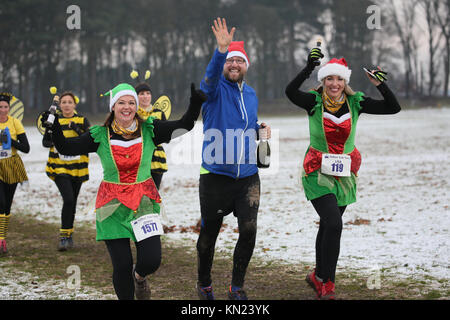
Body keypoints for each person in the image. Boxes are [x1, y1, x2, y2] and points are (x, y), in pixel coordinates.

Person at [42, 82, 206, 300]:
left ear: (136, 106)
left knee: (151, 260)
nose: (127, 107)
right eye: (121, 102)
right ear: (113, 107)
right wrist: (54, 129)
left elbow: (184, 125)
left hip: (144, 202)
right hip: (112, 206)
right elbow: (66, 147)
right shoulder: (100, 135)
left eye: (131, 102)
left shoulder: (150, 129)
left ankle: (139, 277)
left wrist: (195, 104)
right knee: (122, 266)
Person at [285, 46, 401, 299]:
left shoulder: (356, 102)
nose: (334, 83)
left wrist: (379, 84)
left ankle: (317, 275)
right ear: (323, 81)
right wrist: (308, 67)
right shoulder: (313, 102)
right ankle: (327, 281)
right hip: (317, 170)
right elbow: (290, 92)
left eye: (339, 79)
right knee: (334, 224)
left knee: (328, 226)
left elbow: (393, 108)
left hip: (345, 173)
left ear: (345, 81)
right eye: (329, 78)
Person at [196, 18, 271, 300]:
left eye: (239, 61)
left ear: (245, 66)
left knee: (249, 230)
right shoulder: (213, 91)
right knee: (208, 238)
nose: (234, 65)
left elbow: (242, 124)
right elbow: (210, 77)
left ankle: (236, 286)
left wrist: (259, 130)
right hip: (215, 176)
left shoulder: (251, 94)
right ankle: (204, 283)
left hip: (248, 176)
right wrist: (220, 50)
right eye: (230, 61)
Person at [42, 91, 90, 251]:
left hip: (77, 167)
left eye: (70, 102)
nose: (67, 105)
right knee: (68, 199)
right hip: (59, 165)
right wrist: (49, 129)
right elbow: (45, 143)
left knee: (73, 201)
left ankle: (69, 234)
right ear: (59, 105)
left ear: (74, 104)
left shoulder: (82, 120)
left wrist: (76, 128)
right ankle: (63, 237)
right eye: (64, 102)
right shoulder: (54, 119)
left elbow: (90, 140)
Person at [0, 92, 30, 254]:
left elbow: (26, 148)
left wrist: (9, 141)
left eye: (5, 107)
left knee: (7, 206)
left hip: (11, 166)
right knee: (1, 203)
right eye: (0, 107)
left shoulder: (15, 122)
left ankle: (2, 239)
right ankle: (0, 239)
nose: (3, 110)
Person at [135, 80, 168, 189]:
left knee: (154, 194)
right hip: (138, 158)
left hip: (156, 159)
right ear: (136, 96)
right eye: (142, 94)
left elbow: (167, 138)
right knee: (139, 195)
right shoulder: (132, 113)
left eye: (148, 93)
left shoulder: (159, 113)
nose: (145, 96)